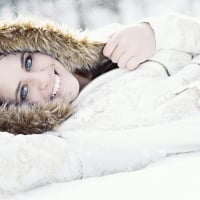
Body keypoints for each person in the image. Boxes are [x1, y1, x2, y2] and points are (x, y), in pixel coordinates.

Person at [0, 13, 200, 135]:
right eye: (24, 92)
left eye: (28, 62)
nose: (42, 79)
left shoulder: (105, 42)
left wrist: (157, 32)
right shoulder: (75, 134)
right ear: (17, 114)